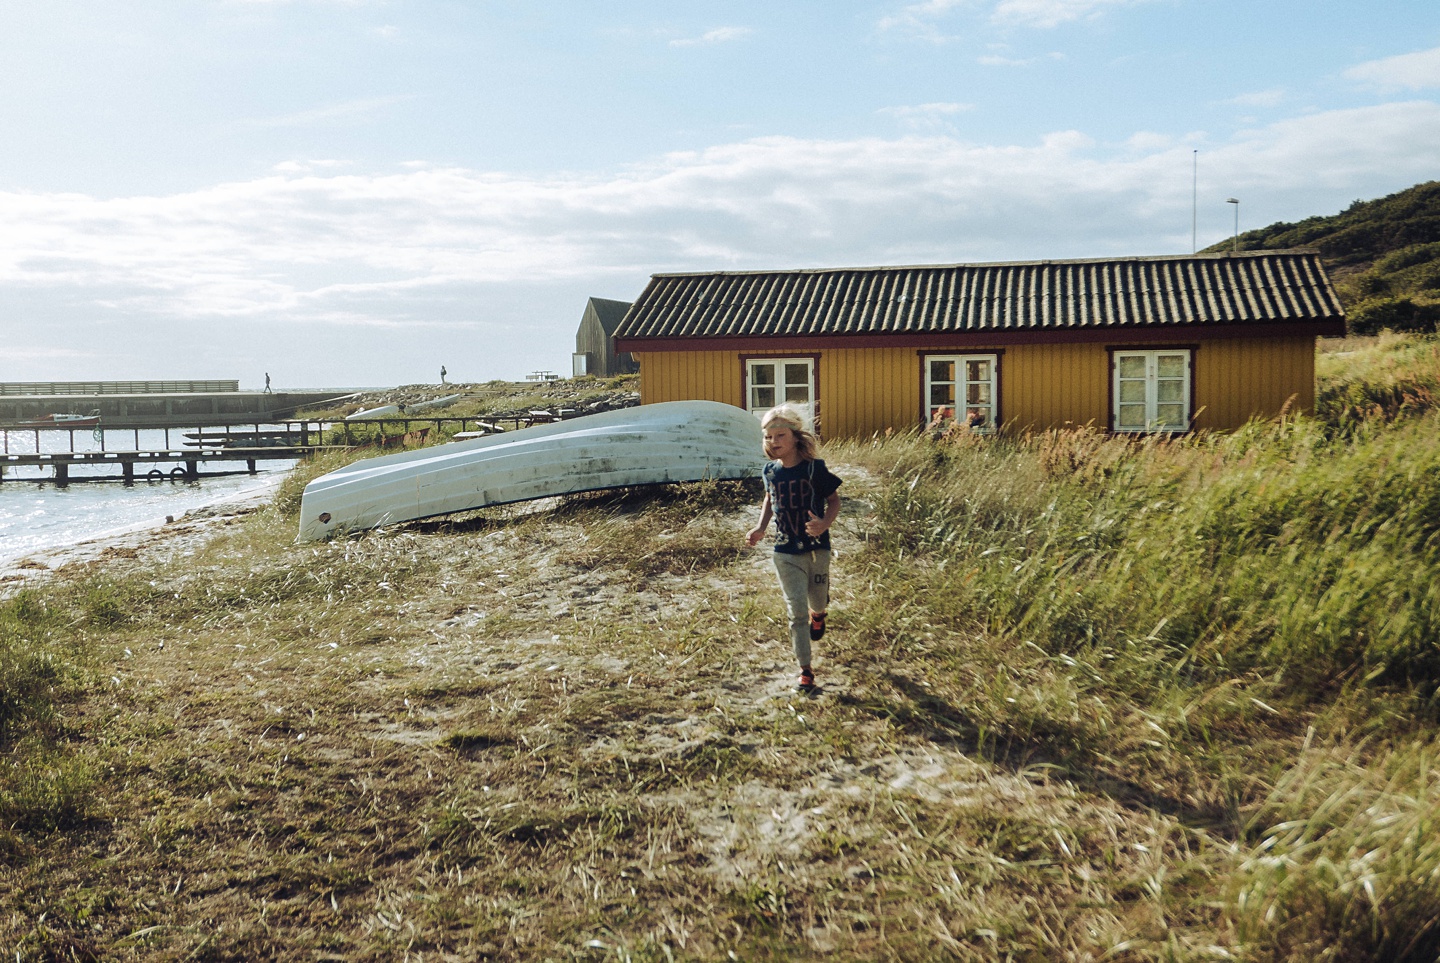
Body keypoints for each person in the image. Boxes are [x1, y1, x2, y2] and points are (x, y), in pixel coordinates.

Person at [745, 405, 842, 693]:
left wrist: (824, 523)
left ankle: (820, 614)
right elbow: (769, 498)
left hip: (817, 548)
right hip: (784, 550)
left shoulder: (815, 469)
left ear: (796, 437)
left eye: (779, 435)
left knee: (818, 598)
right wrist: (760, 527)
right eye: (768, 437)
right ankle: (806, 671)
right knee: (795, 610)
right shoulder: (769, 471)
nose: (773, 442)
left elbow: (834, 501)